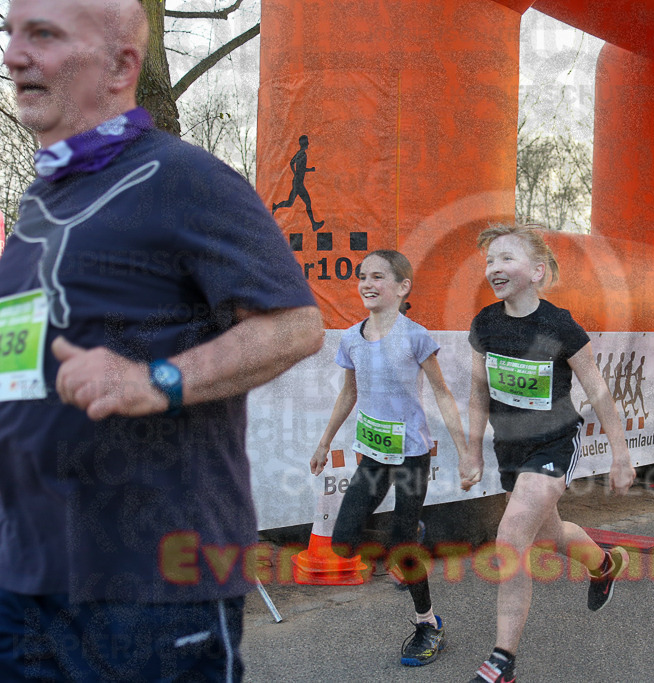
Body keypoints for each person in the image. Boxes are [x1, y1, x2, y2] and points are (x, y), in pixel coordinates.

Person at [0, 0, 324, 679]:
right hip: (25, 581)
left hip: (152, 586)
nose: (14, 56)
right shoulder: (37, 206)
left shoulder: (182, 177)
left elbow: (295, 325)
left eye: (44, 36)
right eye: (11, 34)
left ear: (122, 64)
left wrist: (155, 380)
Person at [464, 223, 635, 683]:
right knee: (547, 534)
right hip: (510, 448)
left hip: (555, 443)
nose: (494, 268)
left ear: (537, 271)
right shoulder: (485, 324)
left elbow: (599, 393)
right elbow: (479, 391)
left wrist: (620, 455)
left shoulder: (560, 325)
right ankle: (603, 565)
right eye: (489, 261)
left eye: (506, 259)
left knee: (511, 537)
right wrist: (472, 450)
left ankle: (502, 661)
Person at [309, 250, 470, 667]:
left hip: (412, 456)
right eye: (363, 276)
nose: (367, 283)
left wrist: (467, 451)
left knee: (402, 550)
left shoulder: (415, 337)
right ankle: (407, 534)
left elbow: (441, 395)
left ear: (402, 287)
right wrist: (325, 442)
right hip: (373, 456)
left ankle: (427, 623)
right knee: (343, 544)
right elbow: (349, 392)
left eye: (378, 276)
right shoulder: (350, 338)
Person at [272, 134, 325, 231]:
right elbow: (301, 168)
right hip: (299, 184)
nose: (308, 143)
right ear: (305, 143)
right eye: (307, 142)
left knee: (290, 203)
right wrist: (309, 170)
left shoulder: (299, 153)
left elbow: (292, 163)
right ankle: (314, 224)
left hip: (297, 182)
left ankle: (276, 207)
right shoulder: (303, 154)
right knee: (307, 203)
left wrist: (295, 172)